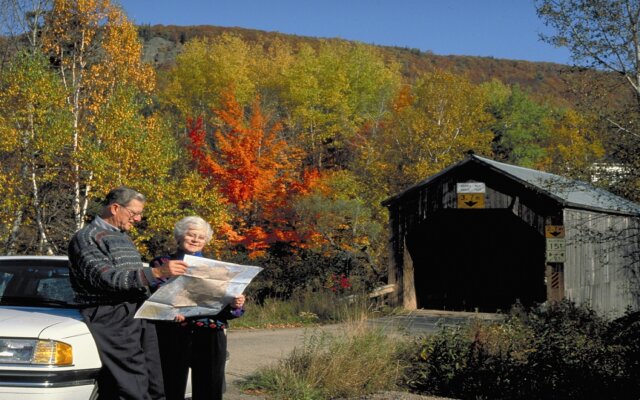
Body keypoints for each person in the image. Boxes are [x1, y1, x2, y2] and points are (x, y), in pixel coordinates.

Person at [68, 186, 188, 400]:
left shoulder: (122, 237)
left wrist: (168, 303)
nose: (139, 219)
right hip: (110, 314)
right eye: (134, 213)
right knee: (132, 383)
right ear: (115, 208)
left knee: (154, 380)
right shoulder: (86, 238)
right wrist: (157, 272)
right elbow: (107, 279)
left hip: (137, 311)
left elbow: (135, 279)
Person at [151, 216, 246, 400]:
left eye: (201, 237)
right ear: (179, 237)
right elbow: (156, 296)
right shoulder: (162, 263)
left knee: (210, 389)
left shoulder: (217, 268)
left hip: (211, 331)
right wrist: (171, 311)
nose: (195, 240)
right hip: (174, 332)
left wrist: (236, 304)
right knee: (170, 387)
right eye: (191, 235)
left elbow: (228, 306)